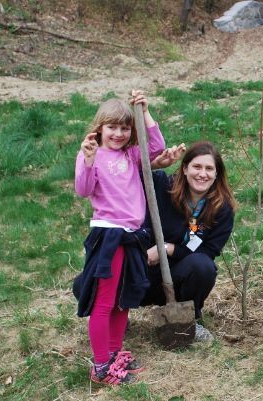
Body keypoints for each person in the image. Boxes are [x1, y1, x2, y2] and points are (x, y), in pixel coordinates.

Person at [74, 90, 165, 385]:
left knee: (123, 300)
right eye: (112, 127)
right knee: (104, 302)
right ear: (99, 128)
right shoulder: (91, 155)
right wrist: (88, 160)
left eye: (125, 128)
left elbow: (156, 148)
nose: (118, 133)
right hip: (109, 236)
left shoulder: (131, 155)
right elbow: (83, 190)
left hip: (133, 237)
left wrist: (145, 111)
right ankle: (101, 366)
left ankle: (114, 354)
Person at [140, 141, 237, 342]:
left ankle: (189, 319)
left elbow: (208, 253)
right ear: (185, 169)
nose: (202, 174)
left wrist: (167, 249)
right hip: (144, 271)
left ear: (217, 173)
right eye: (197, 166)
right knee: (86, 285)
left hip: (180, 278)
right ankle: (115, 315)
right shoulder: (161, 186)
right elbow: (128, 177)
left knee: (203, 266)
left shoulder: (221, 209)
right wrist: (154, 164)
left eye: (209, 168)